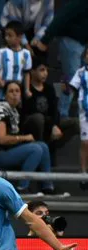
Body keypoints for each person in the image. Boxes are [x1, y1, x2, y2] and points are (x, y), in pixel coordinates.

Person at [0, 81, 54, 195]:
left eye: (17, 91)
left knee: (43, 146)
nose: (15, 94)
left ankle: (47, 187)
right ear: (5, 95)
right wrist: (24, 138)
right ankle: (22, 187)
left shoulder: (14, 111)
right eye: (11, 91)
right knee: (35, 149)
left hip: (5, 151)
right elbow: (1, 139)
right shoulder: (1, 109)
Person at [32, 0, 88, 119]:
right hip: (71, 40)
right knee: (71, 77)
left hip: (84, 43)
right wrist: (45, 39)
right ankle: (61, 114)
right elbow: (61, 17)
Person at [22, 56, 79, 154]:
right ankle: (40, 149)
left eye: (46, 71)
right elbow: (29, 112)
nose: (45, 73)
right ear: (32, 71)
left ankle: (53, 144)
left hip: (49, 125)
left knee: (76, 122)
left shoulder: (49, 89)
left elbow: (55, 110)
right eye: (42, 70)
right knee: (39, 118)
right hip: (33, 126)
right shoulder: (27, 90)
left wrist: (55, 126)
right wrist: (52, 125)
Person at [0, 21, 32, 102]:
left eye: (10, 35)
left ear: (20, 37)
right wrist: (3, 84)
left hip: (16, 94)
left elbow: (26, 73)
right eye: (6, 35)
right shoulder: (1, 52)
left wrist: (26, 89)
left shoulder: (26, 54)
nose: (6, 38)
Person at [69, 47, 88, 190]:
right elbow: (72, 88)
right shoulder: (80, 73)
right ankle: (83, 173)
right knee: (85, 143)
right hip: (85, 114)